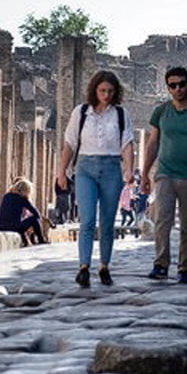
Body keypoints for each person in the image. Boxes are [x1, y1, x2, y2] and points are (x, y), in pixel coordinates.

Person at [57, 70, 135, 287]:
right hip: (85, 168)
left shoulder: (120, 114)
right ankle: (83, 267)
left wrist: (129, 170)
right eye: (102, 90)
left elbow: (127, 144)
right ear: (94, 90)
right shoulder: (81, 113)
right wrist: (61, 172)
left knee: (107, 222)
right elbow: (70, 144)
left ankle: (104, 266)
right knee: (88, 220)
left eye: (110, 91)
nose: (106, 95)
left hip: (111, 168)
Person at [141, 66, 187, 283]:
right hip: (165, 173)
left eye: (181, 84)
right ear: (168, 88)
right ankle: (161, 264)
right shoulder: (161, 112)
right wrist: (145, 173)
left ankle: (185, 267)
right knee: (162, 220)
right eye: (173, 85)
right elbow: (153, 143)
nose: (178, 89)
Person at [0, 177, 46, 246]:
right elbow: (37, 214)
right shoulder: (22, 199)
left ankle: (26, 240)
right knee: (35, 219)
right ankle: (41, 239)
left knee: (19, 223)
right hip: (14, 227)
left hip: (1, 226)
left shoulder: (6, 196)